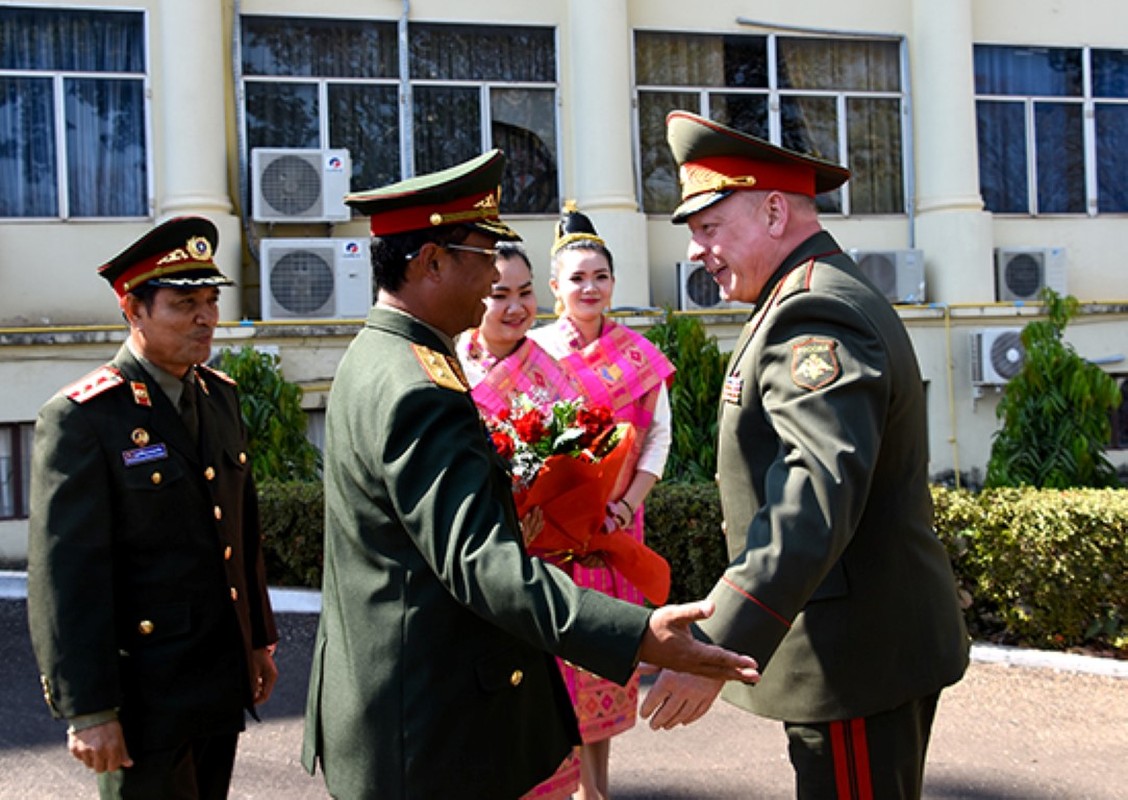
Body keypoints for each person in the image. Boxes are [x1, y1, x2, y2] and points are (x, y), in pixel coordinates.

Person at [299, 149, 759, 800]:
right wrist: (639, 635)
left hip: (392, 700)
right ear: (431, 262)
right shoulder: (419, 387)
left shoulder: (378, 355)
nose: (494, 277)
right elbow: (482, 565)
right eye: (482, 256)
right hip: (428, 721)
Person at [639, 110, 970, 799]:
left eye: (708, 228)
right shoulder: (804, 295)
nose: (697, 250)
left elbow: (811, 496)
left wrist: (716, 648)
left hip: (851, 661)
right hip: (858, 650)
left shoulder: (813, 311)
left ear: (771, 211)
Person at [27, 216, 280, 799]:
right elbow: (67, 575)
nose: (205, 318)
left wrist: (257, 640)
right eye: (183, 303)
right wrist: (89, 709)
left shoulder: (219, 398)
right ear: (133, 310)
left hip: (215, 681)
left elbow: (241, 532)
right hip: (143, 696)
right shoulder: (86, 417)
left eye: (211, 301)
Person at [529, 208, 676, 800]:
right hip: (550, 533)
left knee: (601, 665)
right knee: (548, 671)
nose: (590, 289)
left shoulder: (637, 355)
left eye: (601, 277)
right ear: (555, 288)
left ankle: (597, 790)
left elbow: (659, 435)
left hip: (613, 534)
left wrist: (625, 503)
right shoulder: (532, 352)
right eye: (577, 279)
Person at [457, 242, 583, 800]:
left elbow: (580, 463)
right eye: (499, 293)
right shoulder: (447, 368)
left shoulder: (554, 373)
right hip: (467, 568)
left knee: (539, 709)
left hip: (541, 567)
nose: (515, 306)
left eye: (525, 292)